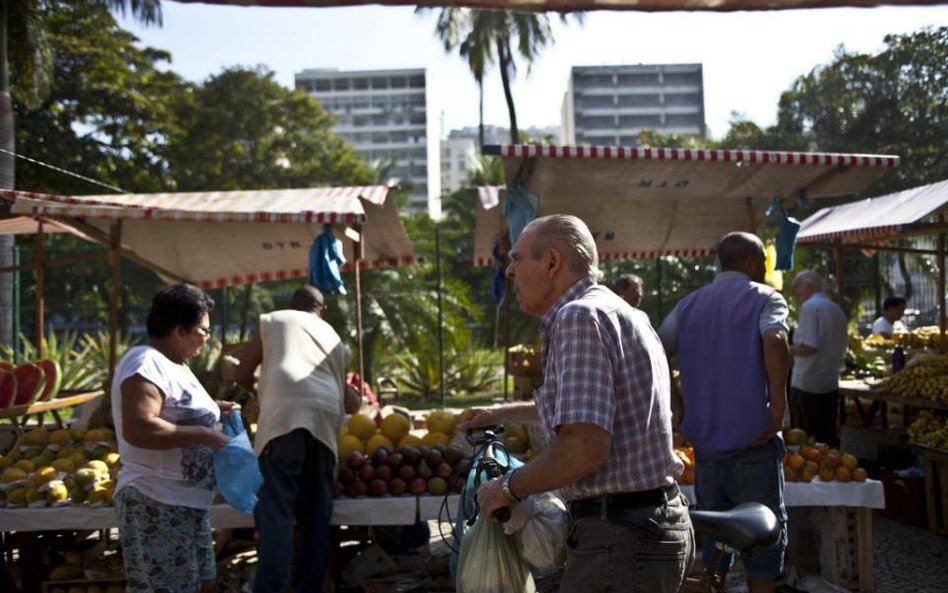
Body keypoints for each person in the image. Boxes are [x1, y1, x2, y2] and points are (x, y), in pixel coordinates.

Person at [458, 214, 693, 593]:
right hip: (643, 526)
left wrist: (507, 487)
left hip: (622, 536)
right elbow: (589, 405)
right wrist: (500, 413)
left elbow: (584, 448)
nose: (510, 272)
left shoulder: (579, 318)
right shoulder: (620, 312)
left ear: (552, 262)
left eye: (517, 259)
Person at [657, 231, 790, 593]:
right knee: (762, 543)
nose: (765, 267)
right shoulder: (766, 298)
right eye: (763, 260)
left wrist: (678, 406)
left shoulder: (688, 305)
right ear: (749, 262)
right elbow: (776, 340)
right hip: (754, 445)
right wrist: (777, 409)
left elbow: (656, 351)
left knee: (716, 548)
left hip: (706, 450)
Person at [112, 283, 237, 593]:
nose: (207, 338)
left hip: (186, 503)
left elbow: (176, 408)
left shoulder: (176, 364)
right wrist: (206, 435)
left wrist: (214, 410)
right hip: (156, 499)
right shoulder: (145, 362)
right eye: (203, 330)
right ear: (180, 330)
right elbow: (141, 427)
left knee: (203, 585)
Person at [235, 286, 349, 593]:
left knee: (277, 518)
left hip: (283, 422)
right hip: (325, 425)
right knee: (315, 522)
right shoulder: (336, 339)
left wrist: (258, 390)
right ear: (320, 311)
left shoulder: (273, 319)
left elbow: (242, 373)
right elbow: (346, 397)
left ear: (292, 306)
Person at [789, 270, 849, 446]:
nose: (795, 293)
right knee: (826, 439)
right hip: (829, 382)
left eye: (796, 287)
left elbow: (809, 347)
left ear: (808, 285)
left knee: (805, 442)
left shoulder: (810, 307)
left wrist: (786, 349)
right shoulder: (835, 308)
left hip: (807, 383)